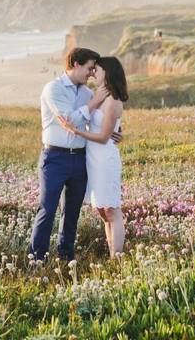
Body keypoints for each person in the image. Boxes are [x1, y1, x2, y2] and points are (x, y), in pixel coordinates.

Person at [27, 47, 119, 262]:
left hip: (80, 157)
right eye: (89, 68)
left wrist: (113, 132)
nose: (91, 73)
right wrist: (95, 102)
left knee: (72, 212)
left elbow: (96, 119)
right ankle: (36, 259)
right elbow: (70, 120)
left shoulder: (87, 93)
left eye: (94, 69)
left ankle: (66, 257)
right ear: (76, 64)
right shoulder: (54, 89)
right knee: (47, 209)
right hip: (55, 157)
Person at [60, 56, 129, 258]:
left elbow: (103, 137)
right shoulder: (98, 98)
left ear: (107, 73)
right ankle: (112, 253)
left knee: (112, 210)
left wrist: (76, 131)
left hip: (104, 159)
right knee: (102, 211)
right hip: (93, 159)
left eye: (96, 70)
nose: (93, 73)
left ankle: (117, 258)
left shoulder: (113, 101)